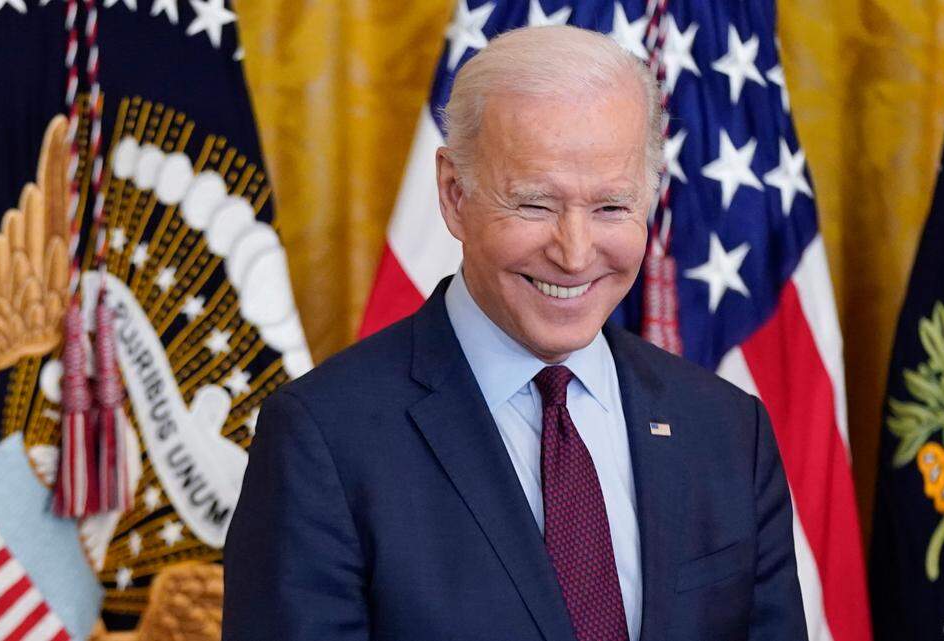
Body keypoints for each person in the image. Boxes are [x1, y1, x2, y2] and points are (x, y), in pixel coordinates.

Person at [223, 25, 807, 641]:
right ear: (454, 195)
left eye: (611, 207)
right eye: (535, 205)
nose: (575, 254)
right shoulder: (323, 440)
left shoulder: (726, 430)